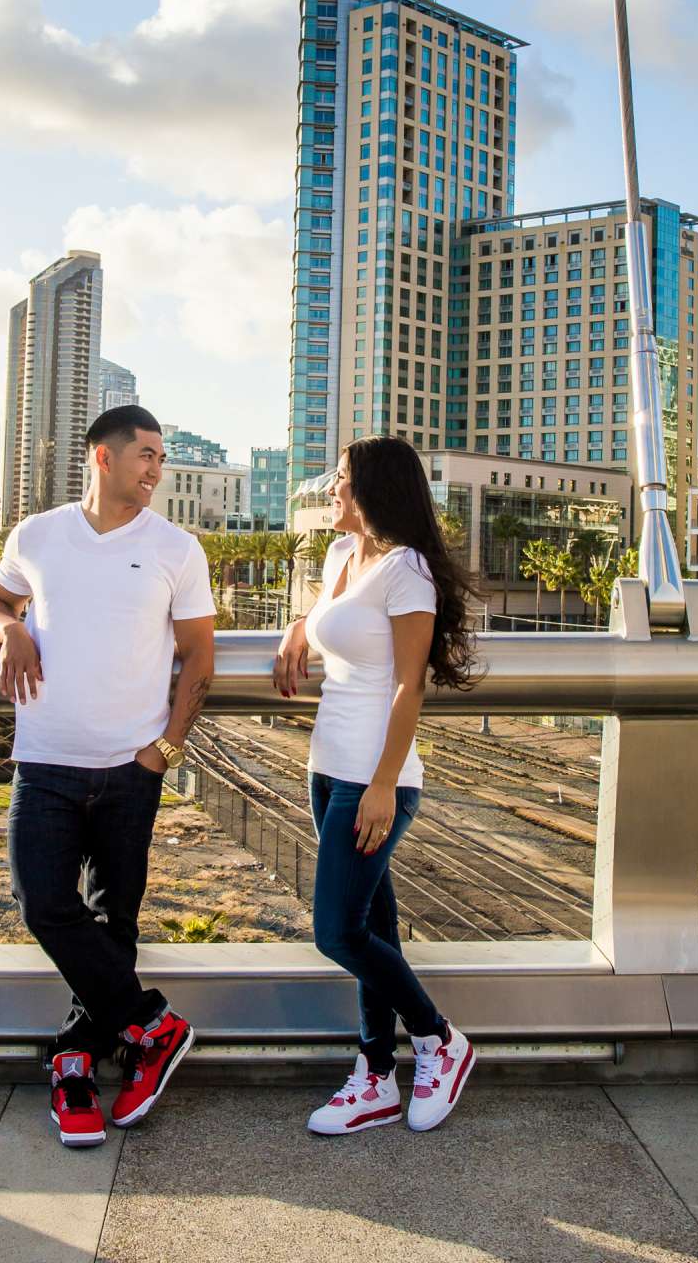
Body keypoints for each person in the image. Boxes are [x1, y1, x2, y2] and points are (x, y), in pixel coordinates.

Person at [0, 405, 217, 1150]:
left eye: (162, 458)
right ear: (103, 458)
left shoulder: (178, 547)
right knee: (42, 900)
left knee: (115, 926)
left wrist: (164, 753)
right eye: (146, 454)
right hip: (45, 759)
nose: (156, 470)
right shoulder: (38, 533)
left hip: (131, 767)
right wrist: (10, 628)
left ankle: (76, 1062)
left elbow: (200, 661)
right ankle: (152, 1026)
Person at [275, 435, 481, 1136]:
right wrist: (297, 629)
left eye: (339, 480)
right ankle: (374, 1076)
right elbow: (336, 624)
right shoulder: (340, 556)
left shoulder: (409, 571)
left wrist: (385, 785)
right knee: (373, 927)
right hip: (328, 768)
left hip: (375, 779)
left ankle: (437, 1038)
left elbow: (407, 684)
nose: (331, 490)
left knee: (336, 932)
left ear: (370, 491)